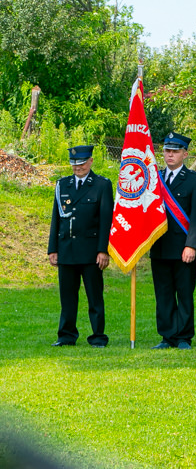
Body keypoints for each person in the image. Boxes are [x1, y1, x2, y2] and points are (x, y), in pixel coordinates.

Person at [47, 145, 113, 347]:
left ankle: (98, 337)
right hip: (67, 249)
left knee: (94, 297)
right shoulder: (62, 185)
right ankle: (66, 335)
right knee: (67, 297)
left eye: (82, 163)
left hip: (91, 251)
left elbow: (105, 220)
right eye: (74, 164)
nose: (78, 167)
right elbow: (56, 220)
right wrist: (53, 249)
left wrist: (103, 250)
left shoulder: (101, 185)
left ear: (91, 161)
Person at [149, 132, 196, 350]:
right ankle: (167, 336)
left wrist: (191, 245)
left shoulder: (195, 181)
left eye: (174, 151)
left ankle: (183, 337)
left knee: (184, 293)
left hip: (183, 248)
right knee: (163, 294)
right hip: (160, 246)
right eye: (166, 151)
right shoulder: (154, 179)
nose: (169, 155)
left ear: (185, 153)